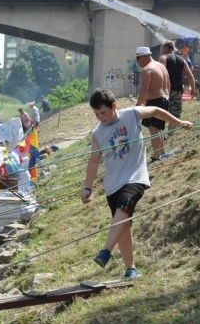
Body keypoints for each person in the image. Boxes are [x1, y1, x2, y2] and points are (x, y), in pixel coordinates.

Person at [82, 89, 191, 279]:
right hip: (112, 184)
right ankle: (130, 268)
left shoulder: (132, 114)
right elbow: (93, 161)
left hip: (135, 177)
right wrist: (87, 187)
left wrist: (179, 123)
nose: (101, 117)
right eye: (97, 114)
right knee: (123, 225)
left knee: (125, 206)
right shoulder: (98, 133)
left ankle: (105, 251)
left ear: (114, 105)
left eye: (103, 112)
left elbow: (156, 111)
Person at [135, 46, 171, 160]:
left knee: (153, 129)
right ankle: (161, 152)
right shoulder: (162, 67)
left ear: (144, 57)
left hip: (155, 101)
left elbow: (144, 89)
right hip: (165, 100)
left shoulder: (147, 70)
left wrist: (138, 105)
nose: (137, 61)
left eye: (138, 58)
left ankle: (157, 155)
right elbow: (169, 84)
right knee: (159, 128)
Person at [159, 40, 197, 119]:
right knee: (175, 116)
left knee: (160, 114)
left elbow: (162, 73)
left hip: (166, 90)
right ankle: (171, 131)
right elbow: (190, 75)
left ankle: (160, 131)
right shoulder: (181, 59)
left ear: (165, 48)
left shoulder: (163, 58)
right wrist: (193, 88)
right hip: (177, 90)